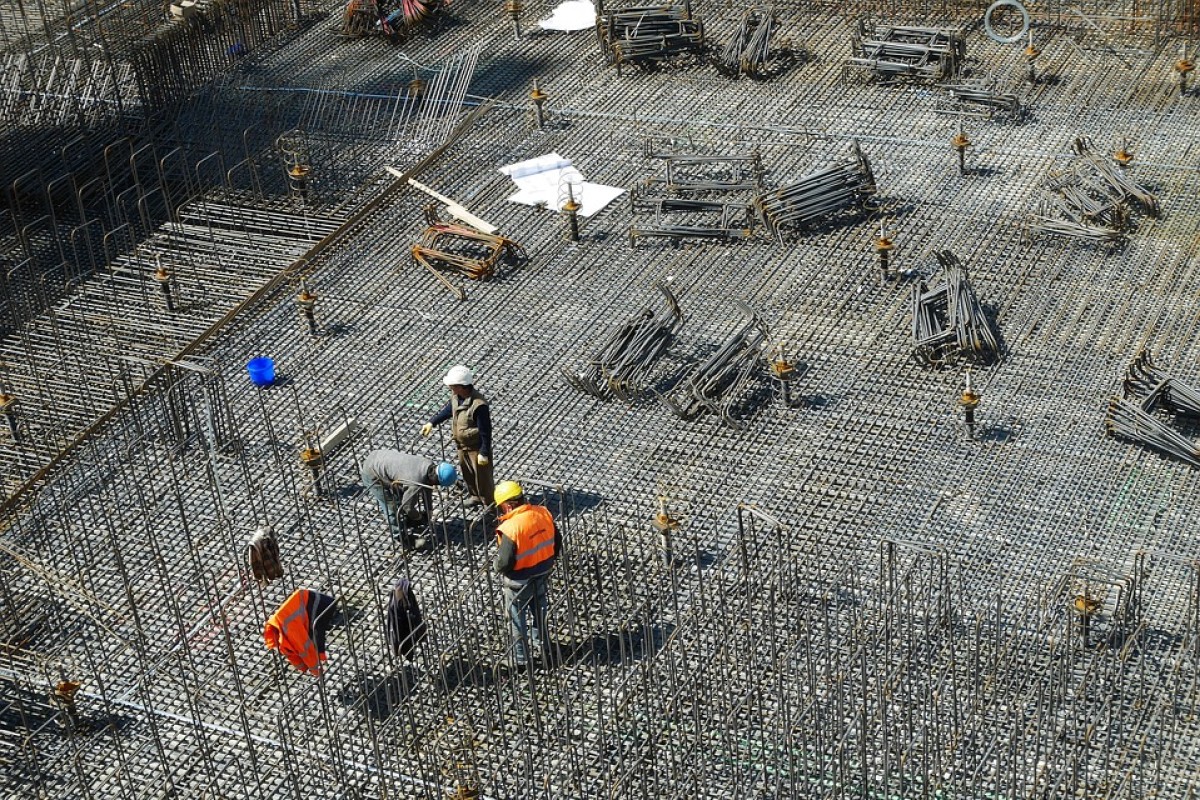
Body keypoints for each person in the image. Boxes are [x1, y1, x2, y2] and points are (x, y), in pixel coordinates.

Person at [492, 480, 560, 671]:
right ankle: (545, 650)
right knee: (540, 612)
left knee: (516, 617)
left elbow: (505, 561)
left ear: (507, 505)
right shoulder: (542, 512)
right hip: (543, 571)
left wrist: (496, 566)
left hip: (519, 580)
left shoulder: (511, 527)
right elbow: (558, 540)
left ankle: (521, 660)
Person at [420, 365, 494, 507]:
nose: (450, 388)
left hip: (476, 448)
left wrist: (484, 452)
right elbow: (448, 411)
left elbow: (486, 430)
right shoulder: (456, 397)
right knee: (468, 474)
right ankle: (475, 497)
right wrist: (432, 422)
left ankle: (489, 504)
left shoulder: (479, 404)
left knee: (483, 478)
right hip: (462, 446)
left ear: (462, 386)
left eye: (453, 386)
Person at [361, 449, 457, 551]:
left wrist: (429, 510)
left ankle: (406, 521)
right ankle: (402, 537)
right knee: (393, 507)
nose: (436, 485)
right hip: (372, 473)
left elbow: (427, 487)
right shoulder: (414, 483)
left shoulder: (429, 465)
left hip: (379, 456)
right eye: (438, 483)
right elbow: (407, 506)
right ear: (436, 479)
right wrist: (418, 517)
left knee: (402, 497)